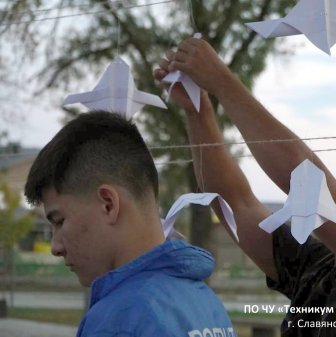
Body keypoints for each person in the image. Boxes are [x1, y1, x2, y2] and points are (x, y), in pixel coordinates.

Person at [154, 37, 336, 336]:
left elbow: (304, 176)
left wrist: (222, 82)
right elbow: (234, 202)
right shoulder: (319, 265)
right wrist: (197, 110)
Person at [24, 111, 236, 337]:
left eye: (59, 221)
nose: (55, 247)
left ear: (108, 204)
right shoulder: (208, 304)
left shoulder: (118, 321)